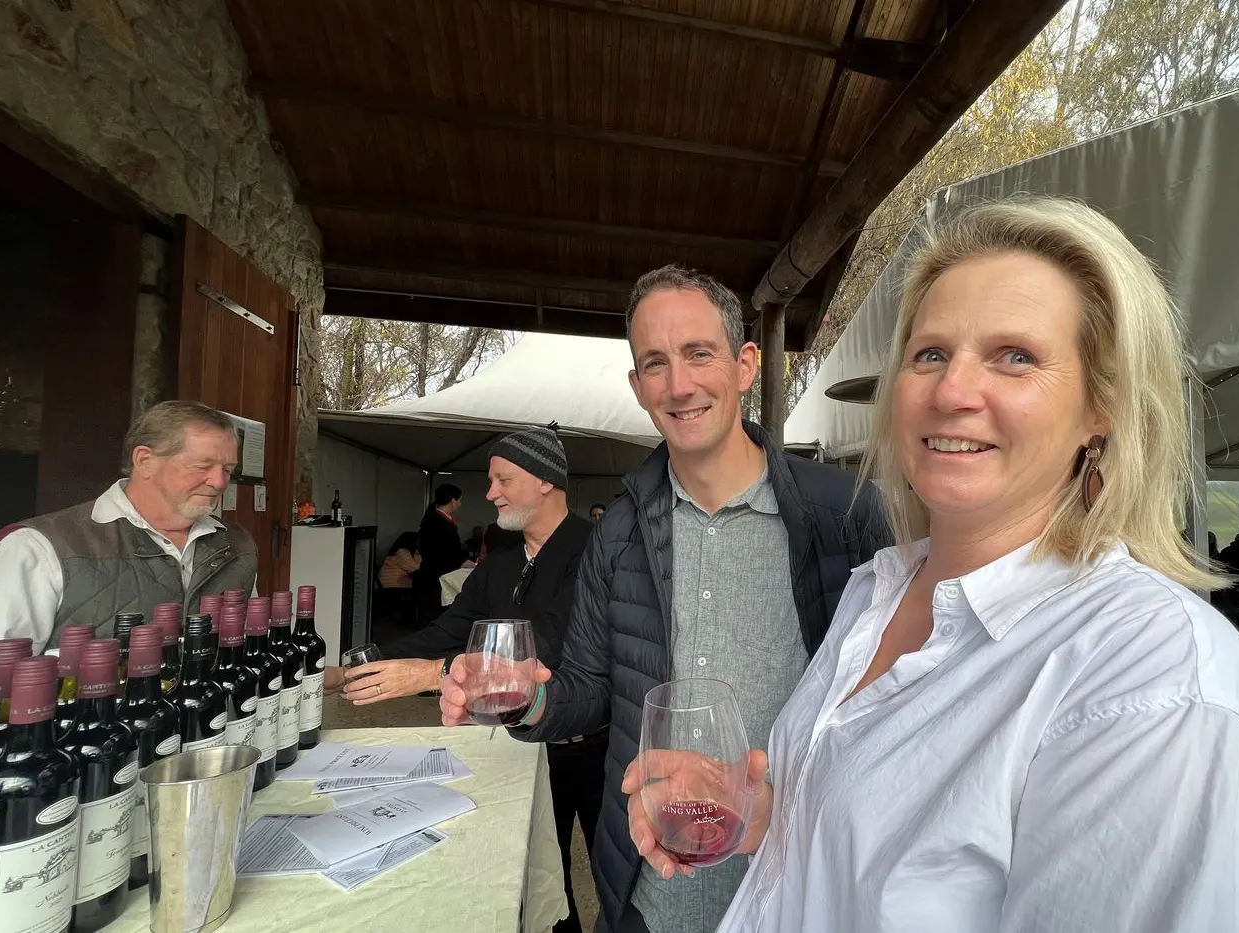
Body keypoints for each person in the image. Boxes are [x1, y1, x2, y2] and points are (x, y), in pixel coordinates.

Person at [619, 198, 1239, 932]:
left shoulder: (1159, 693)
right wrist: (761, 807)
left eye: (1014, 356)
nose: (952, 391)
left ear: (1103, 408)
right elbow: (861, 853)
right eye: (930, 354)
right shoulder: (878, 590)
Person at [441, 264, 890, 933]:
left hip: (796, 891)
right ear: (637, 385)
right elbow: (591, 687)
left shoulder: (845, 515)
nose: (679, 384)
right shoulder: (618, 529)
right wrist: (531, 695)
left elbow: (892, 710)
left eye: (698, 353)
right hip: (651, 897)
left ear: (743, 364)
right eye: (655, 362)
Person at [328, 426, 599, 933]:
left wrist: (437, 673)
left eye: (502, 480)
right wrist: (352, 668)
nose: (490, 492)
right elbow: (445, 631)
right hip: (513, 746)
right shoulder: (500, 564)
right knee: (537, 884)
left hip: (590, 750)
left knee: (613, 881)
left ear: (545, 481)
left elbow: (555, 643)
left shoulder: (595, 551)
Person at [0, 400, 256, 651]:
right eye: (202, 466)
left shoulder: (237, 544)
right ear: (145, 461)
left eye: (228, 470)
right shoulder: (36, 548)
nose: (219, 482)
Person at [415, 483, 465, 625]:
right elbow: (441, 552)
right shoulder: (437, 522)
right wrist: (459, 562)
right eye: (459, 500)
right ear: (452, 500)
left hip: (435, 573)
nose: (460, 504)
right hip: (436, 575)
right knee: (432, 615)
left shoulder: (436, 519)